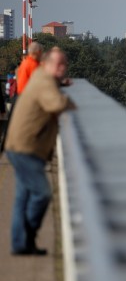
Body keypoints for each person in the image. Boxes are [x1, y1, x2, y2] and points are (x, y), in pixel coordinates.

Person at [4, 48, 76, 255]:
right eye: (59, 65)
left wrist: (61, 84)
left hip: (20, 145)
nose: (63, 69)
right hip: (26, 148)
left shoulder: (41, 76)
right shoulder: (44, 80)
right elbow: (55, 103)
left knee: (23, 197)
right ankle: (28, 235)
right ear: (46, 63)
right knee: (42, 193)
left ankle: (21, 244)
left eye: (65, 65)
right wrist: (72, 104)